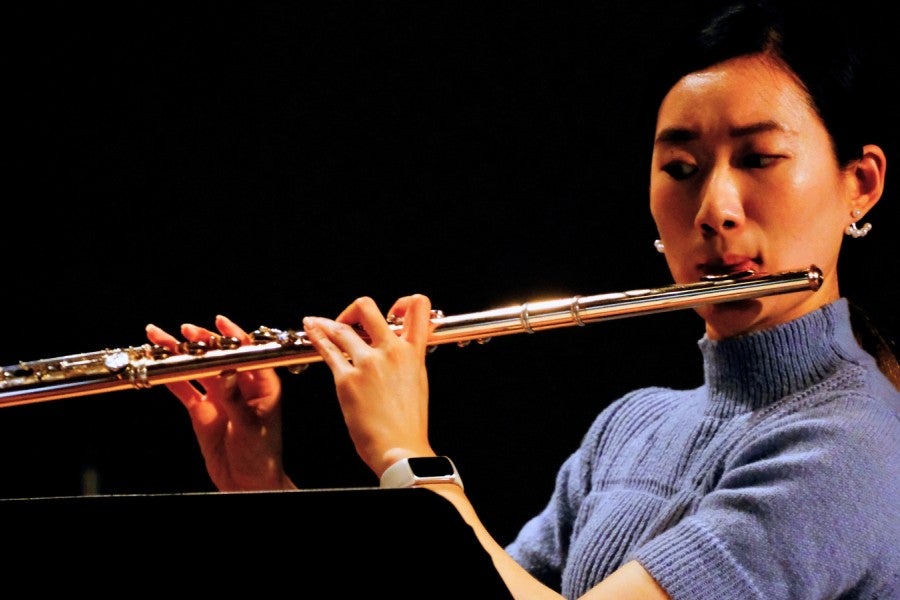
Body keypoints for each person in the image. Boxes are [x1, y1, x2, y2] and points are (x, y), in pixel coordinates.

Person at [145, 1, 899, 597]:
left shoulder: (851, 447)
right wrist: (265, 488)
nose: (714, 208)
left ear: (860, 184)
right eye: (681, 167)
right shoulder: (631, 425)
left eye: (760, 158)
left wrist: (407, 459)